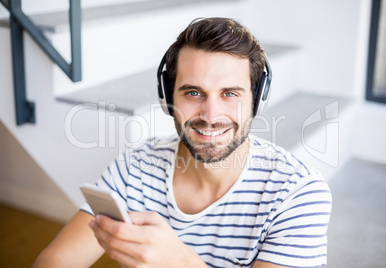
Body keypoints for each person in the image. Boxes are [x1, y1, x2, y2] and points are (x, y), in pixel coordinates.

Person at [33, 17, 331, 268]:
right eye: (192, 93)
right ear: (167, 97)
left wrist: (181, 262)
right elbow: (56, 260)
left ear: (257, 101)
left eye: (230, 93)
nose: (211, 116)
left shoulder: (298, 194)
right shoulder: (135, 165)